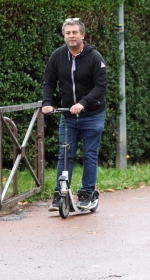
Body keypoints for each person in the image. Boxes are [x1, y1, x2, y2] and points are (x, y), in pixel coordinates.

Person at [42, 18, 107, 212]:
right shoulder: (58, 56)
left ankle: (87, 194)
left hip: (92, 114)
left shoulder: (94, 57)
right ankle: (59, 194)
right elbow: (49, 82)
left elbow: (101, 86)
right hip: (68, 116)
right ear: (64, 36)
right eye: (68, 33)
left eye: (75, 33)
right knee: (65, 154)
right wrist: (47, 103)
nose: (71, 36)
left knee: (89, 154)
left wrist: (83, 103)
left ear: (82, 35)